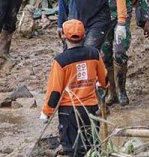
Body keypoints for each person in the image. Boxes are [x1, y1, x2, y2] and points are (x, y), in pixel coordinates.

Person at [40, 19, 108, 157]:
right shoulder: (94, 54)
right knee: (91, 147)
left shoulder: (60, 60)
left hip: (69, 112)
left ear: (63, 36)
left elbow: (55, 92)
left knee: (73, 150)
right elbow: (104, 79)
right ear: (84, 36)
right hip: (91, 109)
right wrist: (102, 85)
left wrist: (46, 113)